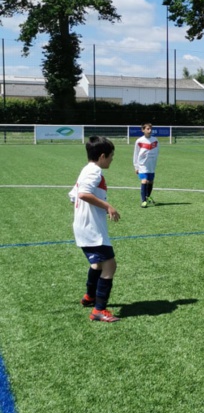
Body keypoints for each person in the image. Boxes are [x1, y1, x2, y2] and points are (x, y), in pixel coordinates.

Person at [69, 135, 121, 323]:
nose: (112, 159)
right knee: (110, 265)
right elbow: (82, 194)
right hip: (92, 229)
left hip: (84, 226)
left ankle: (90, 297)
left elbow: (73, 196)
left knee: (98, 264)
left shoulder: (86, 170)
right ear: (101, 156)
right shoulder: (94, 172)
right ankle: (99, 310)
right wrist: (108, 206)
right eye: (111, 155)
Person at [133, 122, 160, 207]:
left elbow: (156, 152)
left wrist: (154, 162)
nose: (150, 130)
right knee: (144, 180)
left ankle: (148, 197)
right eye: (148, 129)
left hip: (151, 165)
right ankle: (143, 201)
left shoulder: (155, 140)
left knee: (151, 181)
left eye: (151, 129)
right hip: (142, 165)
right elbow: (136, 154)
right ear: (143, 130)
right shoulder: (139, 141)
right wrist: (136, 166)